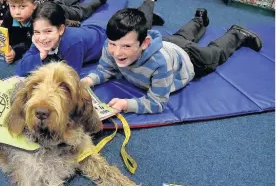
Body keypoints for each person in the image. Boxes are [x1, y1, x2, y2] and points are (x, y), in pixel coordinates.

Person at [81, 8, 263, 114]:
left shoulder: (160, 64)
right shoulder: (111, 44)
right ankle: (199, 19)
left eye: (126, 47)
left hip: (191, 59)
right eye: (113, 44)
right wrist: (87, 81)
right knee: (182, 35)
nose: (117, 52)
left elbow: (157, 102)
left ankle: (237, 33)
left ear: (144, 43)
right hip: (169, 44)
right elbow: (106, 70)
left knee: (215, 53)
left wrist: (126, 104)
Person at [17, 0, 171, 76]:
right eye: (37, 32)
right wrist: (40, 55)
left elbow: (70, 78)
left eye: (48, 31)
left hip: (104, 35)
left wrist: (39, 62)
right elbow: (21, 70)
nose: (42, 37)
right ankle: (147, 11)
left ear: (61, 29)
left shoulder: (72, 44)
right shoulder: (40, 39)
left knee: (138, 27)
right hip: (88, 30)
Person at [0, 0, 107, 64]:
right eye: (13, 6)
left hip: (55, 15)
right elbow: (4, 33)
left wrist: (15, 52)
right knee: (60, 2)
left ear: (34, 5)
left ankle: (98, 0)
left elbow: (30, 44)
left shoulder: (37, 24)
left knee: (78, 12)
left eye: (22, 7)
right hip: (48, 6)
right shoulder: (9, 16)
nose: (17, 12)